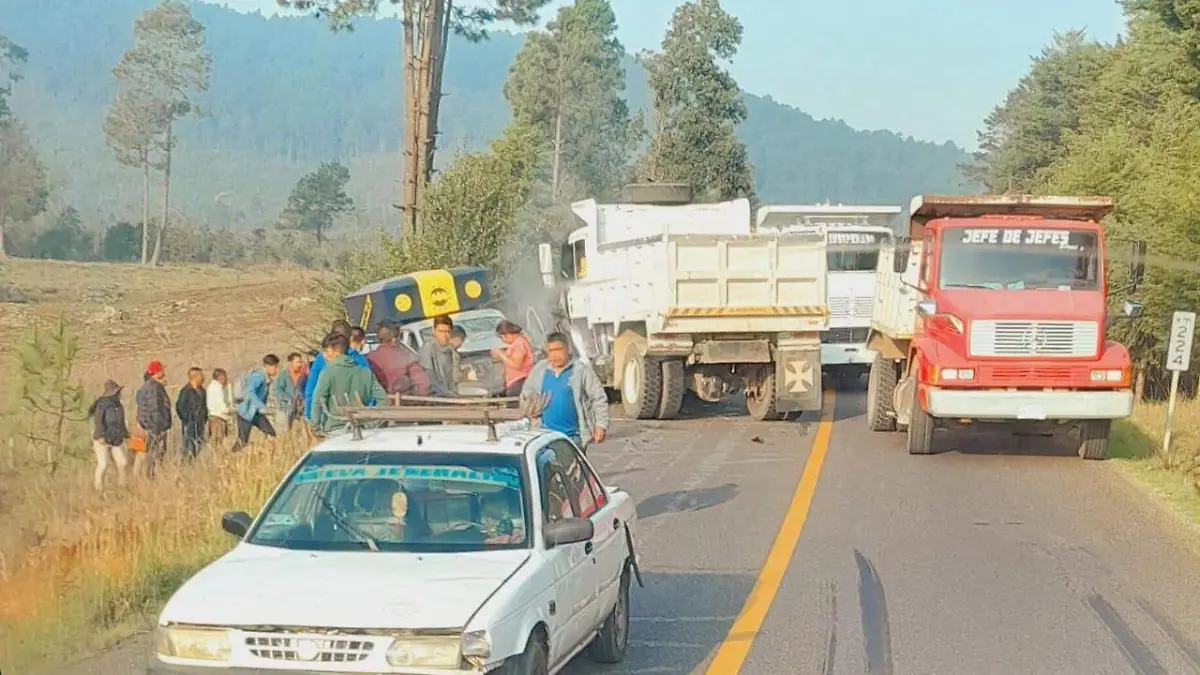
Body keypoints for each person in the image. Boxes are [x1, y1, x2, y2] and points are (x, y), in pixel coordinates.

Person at [521, 332, 609, 454]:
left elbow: (598, 397)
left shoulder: (580, 370)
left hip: (573, 437)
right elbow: (526, 394)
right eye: (551, 350)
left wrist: (601, 425)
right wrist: (531, 411)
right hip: (545, 437)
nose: (555, 354)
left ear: (568, 349)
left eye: (559, 349)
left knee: (574, 472)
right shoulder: (540, 370)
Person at [311, 331, 388, 435]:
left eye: (326, 351)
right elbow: (383, 400)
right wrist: (372, 422)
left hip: (336, 430)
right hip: (363, 431)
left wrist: (315, 427)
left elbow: (317, 401)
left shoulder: (328, 372)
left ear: (335, 351)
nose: (324, 356)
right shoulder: (365, 372)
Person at [304, 320, 368, 420]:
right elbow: (369, 389)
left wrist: (309, 415)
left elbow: (311, 389)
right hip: (357, 416)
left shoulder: (321, 359)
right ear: (350, 338)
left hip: (328, 416)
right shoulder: (360, 360)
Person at [367, 322, 431, 398]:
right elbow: (424, 386)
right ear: (394, 339)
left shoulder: (369, 358)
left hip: (377, 405)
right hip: (403, 405)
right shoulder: (407, 357)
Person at [87, 379, 130, 491]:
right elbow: (98, 420)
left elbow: (121, 421)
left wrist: (126, 434)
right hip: (102, 439)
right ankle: (98, 487)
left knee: (123, 463)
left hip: (116, 438)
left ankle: (122, 486)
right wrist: (100, 435)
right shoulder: (102, 404)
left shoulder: (118, 405)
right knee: (103, 464)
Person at [233, 354, 281, 450]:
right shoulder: (258, 377)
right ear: (267, 366)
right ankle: (229, 459)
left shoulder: (266, 378)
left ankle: (269, 456)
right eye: (275, 367)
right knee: (242, 441)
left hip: (256, 414)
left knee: (271, 433)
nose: (276, 370)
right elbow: (249, 391)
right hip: (246, 413)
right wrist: (260, 406)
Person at [135, 360, 172, 475]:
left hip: (143, 425)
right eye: (161, 370)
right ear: (157, 372)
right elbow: (156, 409)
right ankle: (149, 477)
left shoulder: (145, 387)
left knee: (141, 453)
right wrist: (158, 428)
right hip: (153, 427)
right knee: (153, 454)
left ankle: (137, 477)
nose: (164, 372)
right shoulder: (155, 388)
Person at [419, 315, 459, 397]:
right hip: (436, 400)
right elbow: (429, 379)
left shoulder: (453, 352)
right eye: (440, 331)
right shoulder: (428, 350)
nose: (444, 335)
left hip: (452, 397)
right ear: (434, 331)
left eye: (447, 332)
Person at [491, 320, 534, 397]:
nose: (502, 340)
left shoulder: (519, 343)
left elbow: (517, 365)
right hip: (513, 382)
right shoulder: (515, 343)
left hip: (518, 382)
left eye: (501, 337)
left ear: (507, 334)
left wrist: (501, 354)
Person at [174, 367, 208, 460]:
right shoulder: (186, 391)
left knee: (198, 448)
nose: (203, 378)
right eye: (201, 375)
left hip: (200, 424)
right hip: (189, 424)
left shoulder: (202, 391)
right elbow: (180, 407)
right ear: (195, 377)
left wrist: (204, 418)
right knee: (188, 449)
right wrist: (188, 418)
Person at [273, 352, 308, 433]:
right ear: (291, 363)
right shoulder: (284, 375)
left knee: (297, 433)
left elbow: (306, 390)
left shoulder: (304, 376)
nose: (299, 364)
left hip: (299, 410)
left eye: (300, 362)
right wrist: (287, 398)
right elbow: (277, 389)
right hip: (284, 408)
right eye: (297, 362)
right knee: (284, 434)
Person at [206, 368, 233, 446]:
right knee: (218, 442)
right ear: (221, 377)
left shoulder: (213, 387)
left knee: (218, 442)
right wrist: (231, 410)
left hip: (215, 417)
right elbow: (221, 406)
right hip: (217, 418)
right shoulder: (216, 388)